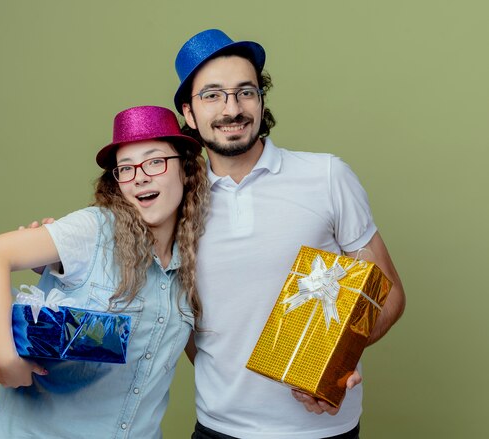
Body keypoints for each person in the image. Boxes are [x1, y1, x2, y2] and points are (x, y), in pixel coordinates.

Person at [173, 29, 406, 439]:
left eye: (245, 92)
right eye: (212, 95)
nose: (232, 108)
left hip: (323, 428)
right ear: (189, 114)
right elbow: (192, 330)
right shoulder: (177, 202)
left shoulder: (326, 175)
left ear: (261, 102)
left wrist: (335, 360)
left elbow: (387, 292)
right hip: (217, 429)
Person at [0, 105, 210, 439]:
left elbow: (211, 362)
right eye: (126, 169)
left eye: (155, 162)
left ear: (184, 170)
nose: (140, 176)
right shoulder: (94, 230)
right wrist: (6, 360)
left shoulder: (192, 263)